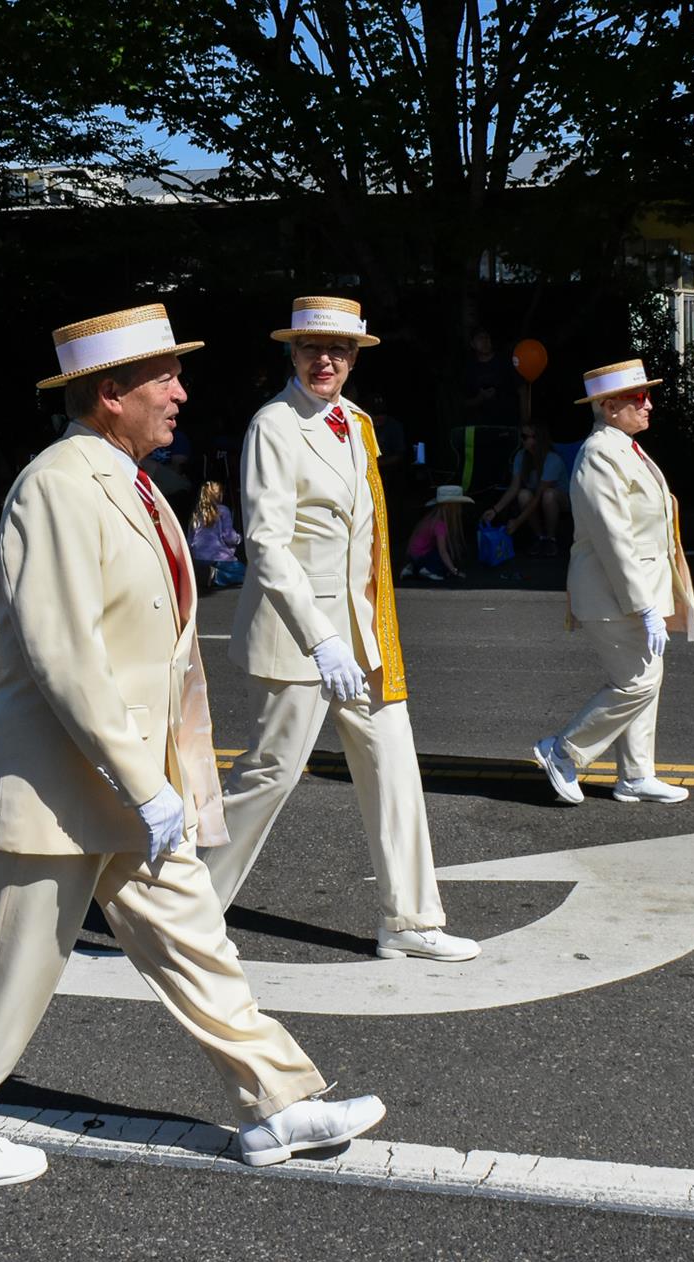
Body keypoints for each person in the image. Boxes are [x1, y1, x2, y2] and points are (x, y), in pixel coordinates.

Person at [0, 303, 384, 1188]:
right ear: (111, 393)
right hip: (60, 782)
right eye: (165, 377)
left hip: (136, 784)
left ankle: (276, 1100)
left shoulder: (135, 481)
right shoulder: (57, 483)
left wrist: (171, 780)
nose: (181, 392)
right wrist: (144, 781)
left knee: (200, 947)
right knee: (7, 965)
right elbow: (63, 650)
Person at [210, 296, 479, 962]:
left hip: (360, 628)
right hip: (297, 632)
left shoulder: (355, 421)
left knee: (394, 764)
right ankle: (183, 915)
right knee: (269, 776)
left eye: (339, 349)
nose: (325, 360)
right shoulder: (274, 424)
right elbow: (266, 544)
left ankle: (409, 919)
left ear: (355, 357)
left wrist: (357, 629)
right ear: (292, 353)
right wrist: (320, 638)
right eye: (312, 348)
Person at [532, 359, 694, 807]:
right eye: (638, 398)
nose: (648, 405)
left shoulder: (625, 448)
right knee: (637, 682)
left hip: (634, 591)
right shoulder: (600, 454)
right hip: (612, 595)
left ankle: (636, 776)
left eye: (647, 396)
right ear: (608, 407)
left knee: (646, 678)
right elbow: (613, 538)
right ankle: (563, 750)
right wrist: (644, 605)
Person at [480, 421, 566, 554]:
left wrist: (517, 522)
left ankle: (551, 539)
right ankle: (539, 537)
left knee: (548, 495)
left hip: (559, 500)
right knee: (523, 494)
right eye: (522, 436)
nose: (522, 440)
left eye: (525, 437)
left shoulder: (553, 459)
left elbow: (539, 495)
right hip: (537, 499)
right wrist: (495, 510)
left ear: (537, 438)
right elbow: (514, 487)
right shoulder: (521, 456)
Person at [407, 484, 471, 581]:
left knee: (443, 556)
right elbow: (442, 551)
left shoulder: (431, 518)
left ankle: (412, 568)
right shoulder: (440, 525)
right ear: (452, 507)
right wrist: (455, 571)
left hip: (414, 556)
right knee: (445, 562)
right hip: (422, 557)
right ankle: (429, 570)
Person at [189, 479, 244, 589]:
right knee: (246, 575)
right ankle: (216, 576)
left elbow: (190, 539)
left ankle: (206, 573)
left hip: (199, 557)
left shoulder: (197, 513)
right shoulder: (223, 511)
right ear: (219, 495)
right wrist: (239, 538)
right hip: (220, 557)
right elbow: (229, 537)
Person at [461, 328, 518, 426]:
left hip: (509, 422)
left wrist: (525, 422)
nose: (485, 341)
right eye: (480, 338)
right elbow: (463, 402)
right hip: (483, 425)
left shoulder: (505, 361)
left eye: (487, 337)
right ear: (472, 344)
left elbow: (522, 390)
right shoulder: (469, 368)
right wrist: (480, 398)